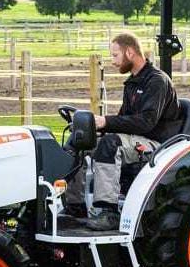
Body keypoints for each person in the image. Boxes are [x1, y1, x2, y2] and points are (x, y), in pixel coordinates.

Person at [64, 32, 181, 231]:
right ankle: (74, 206)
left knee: (110, 144)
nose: (113, 61)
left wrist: (105, 121)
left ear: (130, 52)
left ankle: (108, 212)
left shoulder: (157, 81)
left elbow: (146, 123)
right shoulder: (132, 83)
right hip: (135, 139)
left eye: (115, 55)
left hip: (157, 144)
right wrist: (98, 126)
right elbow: (123, 120)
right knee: (81, 143)